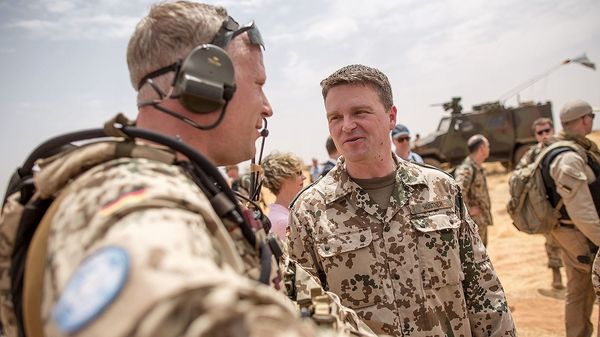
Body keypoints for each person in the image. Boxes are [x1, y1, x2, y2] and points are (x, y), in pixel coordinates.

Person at [0, 3, 375, 336]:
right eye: (258, 84)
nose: (267, 106)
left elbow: (314, 304)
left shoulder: (209, 198)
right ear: (206, 84)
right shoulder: (130, 195)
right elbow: (169, 311)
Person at [288, 64, 515, 336]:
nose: (347, 126)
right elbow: (306, 314)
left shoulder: (440, 189)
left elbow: (484, 291)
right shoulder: (309, 211)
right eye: (335, 117)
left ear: (391, 116)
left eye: (360, 112)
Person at [547, 100, 600, 337]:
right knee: (580, 291)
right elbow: (582, 212)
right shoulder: (568, 158)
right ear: (584, 119)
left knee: (579, 291)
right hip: (580, 235)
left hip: (573, 233)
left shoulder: (573, 149)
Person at [515, 117, 564, 289]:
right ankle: (556, 275)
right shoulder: (533, 154)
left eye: (547, 131)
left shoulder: (564, 148)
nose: (544, 135)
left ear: (553, 130)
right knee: (552, 242)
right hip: (548, 207)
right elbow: (519, 175)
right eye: (540, 132)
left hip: (569, 205)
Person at [453, 134, 493, 246]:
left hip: (480, 222)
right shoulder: (467, 169)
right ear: (482, 148)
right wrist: (468, 210)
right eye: (488, 146)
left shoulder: (477, 167)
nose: (489, 149)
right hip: (473, 224)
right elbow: (457, 192)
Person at [262, 152, 306, 240]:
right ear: (282, 179)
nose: (304, 177)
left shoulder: (283, 214)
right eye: (298, 173)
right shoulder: (283, 222)